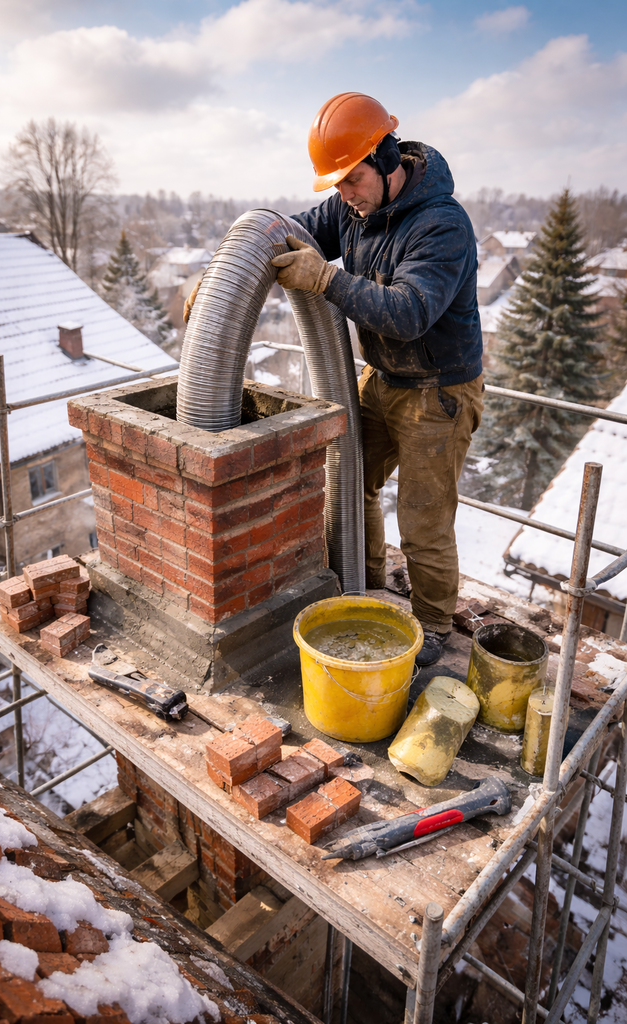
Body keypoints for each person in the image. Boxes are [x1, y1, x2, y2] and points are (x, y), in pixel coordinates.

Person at [185, 92, 483, 667]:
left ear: (388, 156)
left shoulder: (442, 225)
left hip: (438, 391)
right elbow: (287, 233)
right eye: (336, 184)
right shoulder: (353, 207)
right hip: (385, 377)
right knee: (349, 477)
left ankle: (436, 623)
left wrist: (327, 281)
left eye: (351, 179)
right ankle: (363, 582)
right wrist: (220, 276)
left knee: (422, 519)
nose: (342, 195)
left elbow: (409, 311)